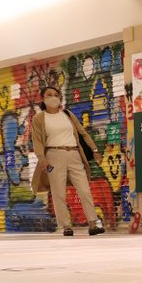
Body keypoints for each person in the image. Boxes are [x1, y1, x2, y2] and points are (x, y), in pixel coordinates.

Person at [30, 85, 105, 236]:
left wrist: (95, 150)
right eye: (49, 94)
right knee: (58, 193)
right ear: (43, 99)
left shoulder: (67, 114)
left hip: (74, 155)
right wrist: (42, 159)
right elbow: (37, 141)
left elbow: (83, 133)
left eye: (56, 94)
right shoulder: (39, 118)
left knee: (84, 189)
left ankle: (93, 224)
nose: (53, 97)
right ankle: (65, 226)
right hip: (53, 156)